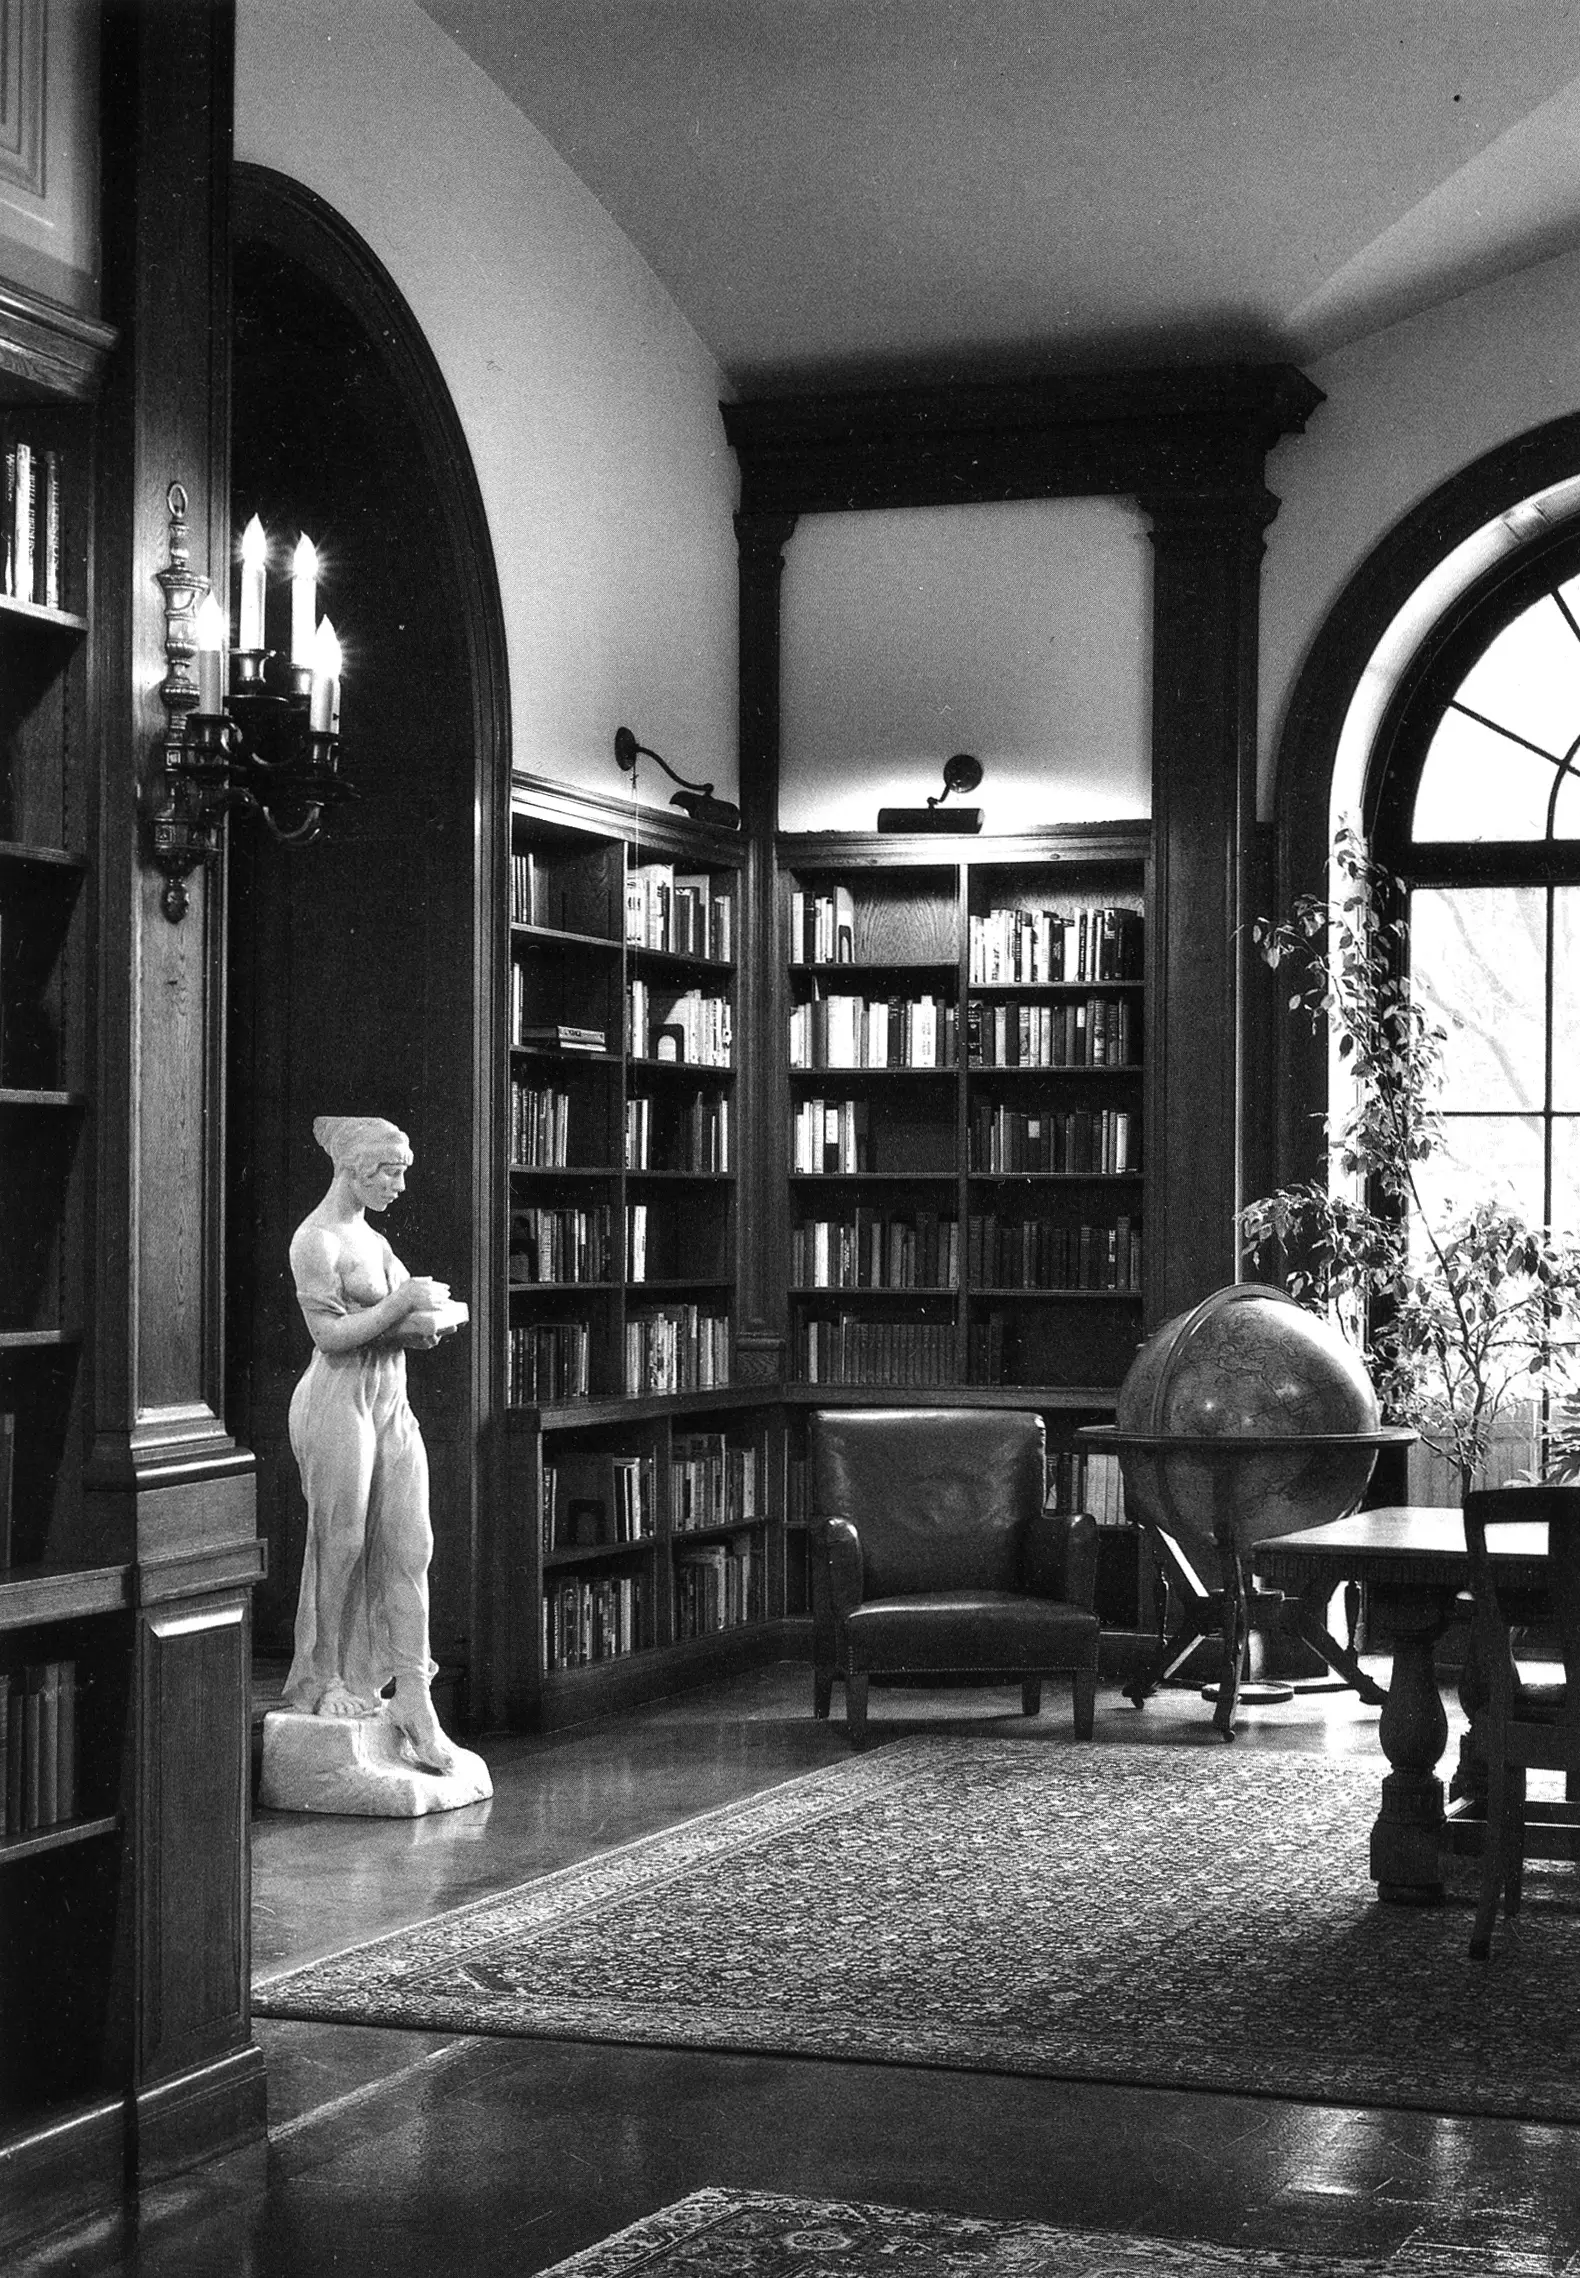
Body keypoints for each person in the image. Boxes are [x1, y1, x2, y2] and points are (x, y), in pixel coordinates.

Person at [282, 1113, 463, 1775]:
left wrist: (427, 1317)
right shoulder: (316, 1240)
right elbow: (329, 1336)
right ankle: (326, 1680)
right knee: (344, 1541)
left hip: (390, 1399)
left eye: (403, 1170)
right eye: (388, 1170)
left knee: (412, 1543)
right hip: (337, 1400)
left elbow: (390, 1324)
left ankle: (414, 1694)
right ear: (351, 1168)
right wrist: (401, 1308)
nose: (399, 1183)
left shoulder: (376, 1242)